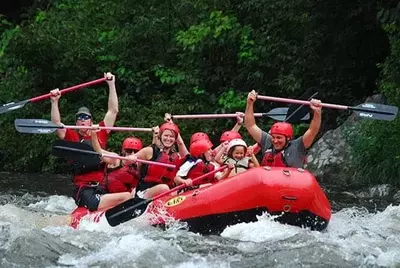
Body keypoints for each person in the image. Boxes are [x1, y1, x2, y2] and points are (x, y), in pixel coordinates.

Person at [49, 72, 121, 211]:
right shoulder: (71, 135)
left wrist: (111, 85)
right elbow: (56, 123)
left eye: (85, 117)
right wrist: (54, 101)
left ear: (91, 121)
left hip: (103, 185)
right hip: (83, 187)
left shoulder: (100, 131)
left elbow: (113, 110)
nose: (82, 120)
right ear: (76, 122)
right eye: (79, 118)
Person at [244, 90, 322, 168]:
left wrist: (317, 112)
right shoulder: (268, 141)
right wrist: (250, 103)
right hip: (269, 179)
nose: (275, 141)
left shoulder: (298, 146)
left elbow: (312, 131)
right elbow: (250, 125)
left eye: (279, 138)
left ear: (288, 138)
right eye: (273, 137)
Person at [133, 122, 188, 199]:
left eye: (171, 136)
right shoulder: (150, 151)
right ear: (160, 136)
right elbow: (126, 161)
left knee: (181, 191)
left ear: (175, 139)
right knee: (164, 188)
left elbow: (184, 151)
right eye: (166, 135)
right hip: (144, 193)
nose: (168, 139)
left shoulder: (175, 157)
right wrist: (132, 158)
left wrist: (183, 181)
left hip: (164, 194)